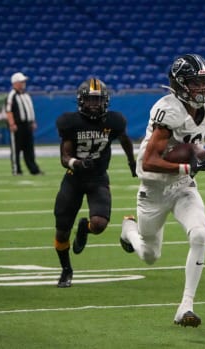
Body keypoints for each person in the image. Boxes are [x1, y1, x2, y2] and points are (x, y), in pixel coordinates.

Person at [119, 54, 205, 327]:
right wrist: (188, 165)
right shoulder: (168, 110)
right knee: (150, 255)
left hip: (183, 186)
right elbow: (148, 162)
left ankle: (186, 306)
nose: (202, 89)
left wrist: (197, 153)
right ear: (181, 84)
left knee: (199, 233)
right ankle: (129, 230)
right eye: (196, 83)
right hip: (153, 188)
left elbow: (192, 145)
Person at [53, 78, 137, 288]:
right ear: (81, 101)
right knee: (62, 231)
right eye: (89, 100)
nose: (93, 104)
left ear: (105, 101)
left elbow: (124, 139)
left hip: (98, 178)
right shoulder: (70, 122)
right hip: (73, 179)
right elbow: (64, 157)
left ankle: (85, 228)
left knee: (99, 225)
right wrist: (78, 163)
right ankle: (66, 270)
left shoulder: (114, 121)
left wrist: (132, 161)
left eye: (97, 100)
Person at [6, 72, 43, 176]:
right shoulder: (12, 95)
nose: (23, 83)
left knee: (29, 149)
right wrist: (12, 124)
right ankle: (16, 170)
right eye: (21, 81)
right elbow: (9, 111)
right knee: (16, 149)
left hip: (27, 125)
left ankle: (34, 170)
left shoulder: (26, 95)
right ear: (15, 83)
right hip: (18, 125)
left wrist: (32, 121)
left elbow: (30, 110)